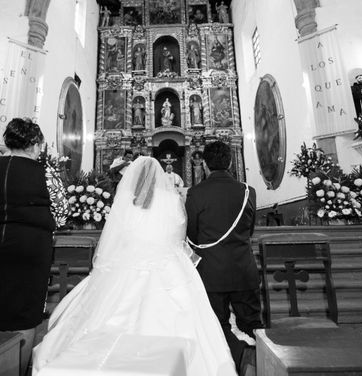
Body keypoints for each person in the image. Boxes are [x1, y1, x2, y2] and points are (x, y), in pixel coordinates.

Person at [32, 157, 236, 375]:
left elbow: (117, 235)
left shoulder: (126, 199)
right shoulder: (171, 199)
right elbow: (178, 233)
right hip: (167, 263)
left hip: (128, 262)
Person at [0, 118, 54, 376]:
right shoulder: (44, 172)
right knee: (26, 310)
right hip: (30, 243)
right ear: (33, 144)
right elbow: (62, 211)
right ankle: (17, 371)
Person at [185, 141, 261, 376]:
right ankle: (257, 365)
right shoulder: (248, 191)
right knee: (252, 324)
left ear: (205, 165)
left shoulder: (195, 193)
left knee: (216, 327)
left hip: (210, 273)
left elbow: (193, 236)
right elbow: (249, 231)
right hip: (243, 269)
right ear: (229, 163)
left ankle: (224, 368)